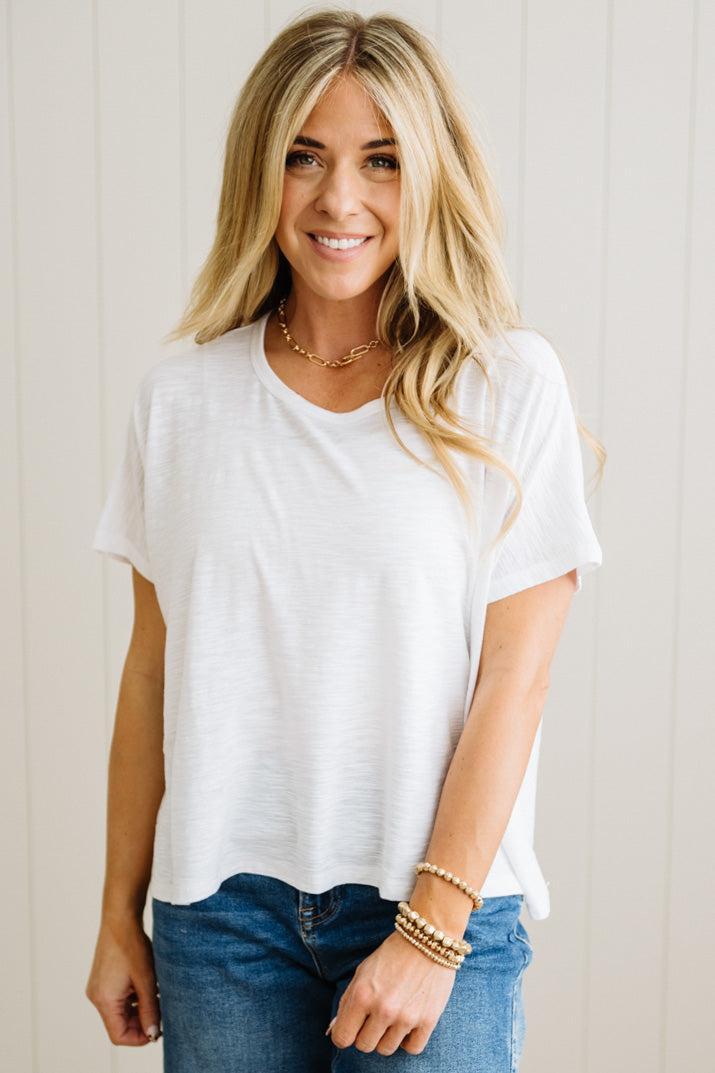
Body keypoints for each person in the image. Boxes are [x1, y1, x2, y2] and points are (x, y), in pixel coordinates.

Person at [85, 7, 605, 1070]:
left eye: (381, 160)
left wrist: (427, 929)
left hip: (436, 911)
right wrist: (115, 911)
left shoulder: (504, 386)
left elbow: (517, 679)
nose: (339, 199)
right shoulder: (182, 398)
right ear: (258, 172)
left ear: (429, 175)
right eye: (303, 157)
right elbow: (151, 674)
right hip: (220, 922)